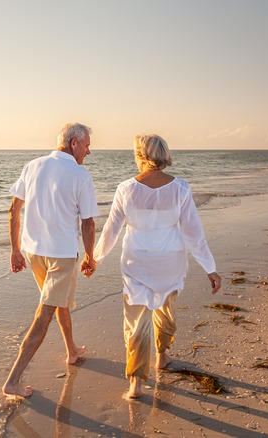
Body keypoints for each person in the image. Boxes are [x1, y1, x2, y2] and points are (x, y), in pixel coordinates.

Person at [93, 134, 222, 399]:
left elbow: (111, 232)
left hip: (136, 262)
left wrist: (94, 259)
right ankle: (162, 357)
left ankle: (136, 384)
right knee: (165, 311)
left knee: (136, 322)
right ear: (163, 154)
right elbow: (193, 234)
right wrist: (210, 268)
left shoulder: (126, 189)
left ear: (140, 155)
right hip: (170, 262)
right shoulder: (181, 188)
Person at [2, 123, 99, 398]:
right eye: (87, 145)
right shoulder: (80, 175)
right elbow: (88, 223)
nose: (89, 151)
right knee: (45, 312)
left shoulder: (32, 165)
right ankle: (13, 380)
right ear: (73, 144)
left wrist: (15, 250)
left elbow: (13, 210)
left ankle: (71, 350)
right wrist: (90, 256)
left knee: (58, 301)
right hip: (61, 256)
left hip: (33, 252)